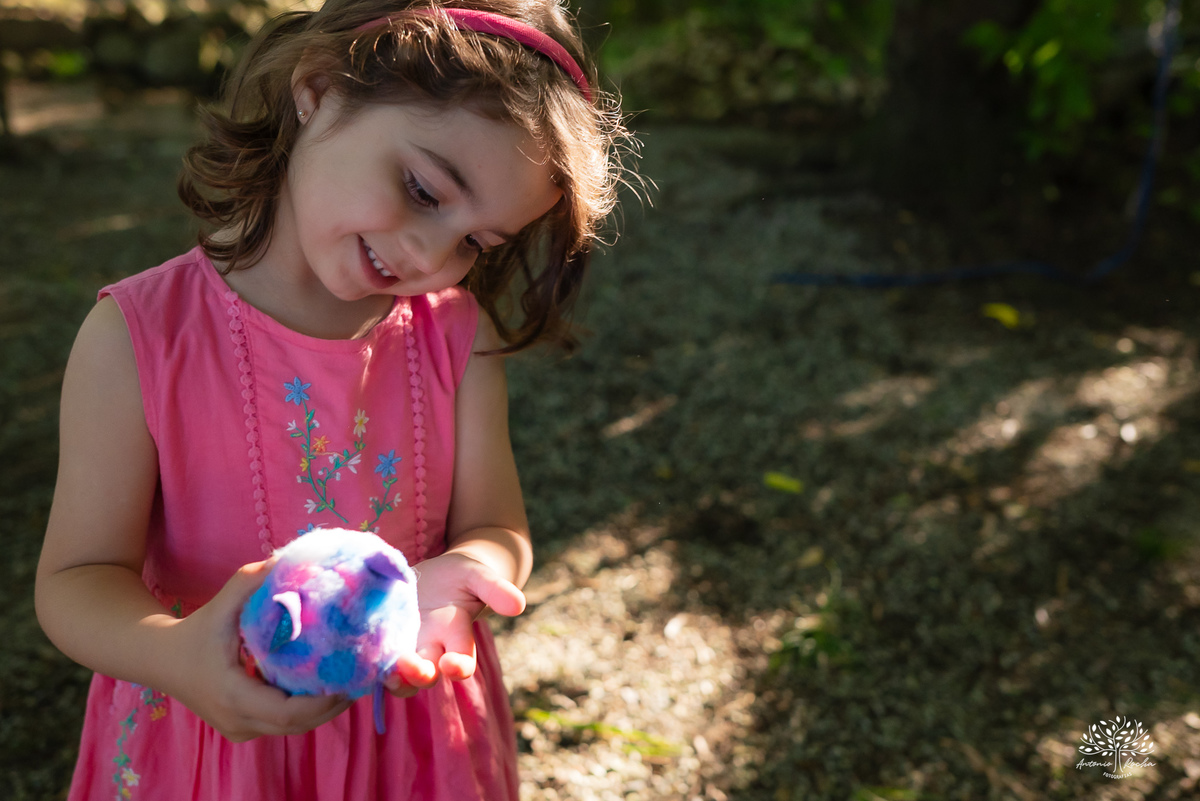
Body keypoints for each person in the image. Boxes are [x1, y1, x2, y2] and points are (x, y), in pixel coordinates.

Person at [34, 1, 630, 798]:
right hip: (204, 741)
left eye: (476, 242)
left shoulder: (456, 335)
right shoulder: (138, 337)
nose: (431, 254)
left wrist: (460, 578)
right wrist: (176, 655)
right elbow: (76, 579)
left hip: (410, 739)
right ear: (319, 88)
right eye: (422, 190)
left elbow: (496, 526)